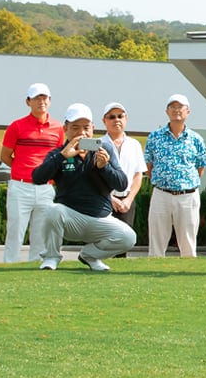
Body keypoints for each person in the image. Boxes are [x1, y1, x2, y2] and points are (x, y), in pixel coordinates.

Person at [29, 103, 138, 270]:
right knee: (52, 210)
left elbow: (122, 184)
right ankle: (51, 257)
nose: (81, 133)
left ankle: (90, 256)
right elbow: (37, 178)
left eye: (86, 127)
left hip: (100, 219)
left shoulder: (104, 149)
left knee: (128, 237)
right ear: (65, 128)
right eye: (75, 128)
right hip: (70, 218)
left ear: (93, 128)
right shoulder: (60, 153)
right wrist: (62, 157)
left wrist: (105, 167)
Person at [1, 84, 64, 263]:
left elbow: (58, 158)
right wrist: (23, 169)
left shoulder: (58, 128)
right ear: (28, 101)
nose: (41, 102)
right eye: (37, 98)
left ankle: (34, 270)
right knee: (15, 233)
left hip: (45, 188)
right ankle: (8, 267)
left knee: (41, 235)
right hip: (20, 187)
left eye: (45, 98)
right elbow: (5, 156)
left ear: (50, 101)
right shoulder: (17, 126)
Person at [143, 94, 206, 259]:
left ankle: (188, 276)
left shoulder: (196, 139)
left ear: (188, 111)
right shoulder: (155, 137)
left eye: (181, 107)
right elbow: (149, 165)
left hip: (187, 196)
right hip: (161, 194)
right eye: (173, 106)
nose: (176, 110)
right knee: (157, 241)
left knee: (188, 242)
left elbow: (200, 167)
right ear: (167, 111)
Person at [100, 102, 145, 235]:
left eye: (120, 116)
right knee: (104, 240)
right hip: (104, 201)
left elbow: (138, 175)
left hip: (127, 202)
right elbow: (93, 177)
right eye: (112, 117)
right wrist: (110, 198)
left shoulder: (134, 145)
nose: (117, 120)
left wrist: (129, 199)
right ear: (104, 121)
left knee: (124, 241)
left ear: (126, 119)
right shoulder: (99, 144)